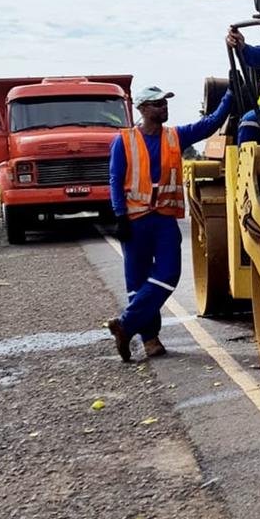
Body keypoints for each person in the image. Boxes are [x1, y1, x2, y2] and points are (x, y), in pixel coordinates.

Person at [106, 85, 232, 361]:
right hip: (135, 220)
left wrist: (230, 95)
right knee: (137, 283)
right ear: (142, 109)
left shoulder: (175, 136)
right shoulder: (124, 141)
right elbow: (116, 180)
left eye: (165, 103)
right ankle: (150, 340)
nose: (164, 107)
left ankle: (125, 325)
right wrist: (119, 216)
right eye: (157, 104)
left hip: (163, 219)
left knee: (169, 274)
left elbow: (209, 124)